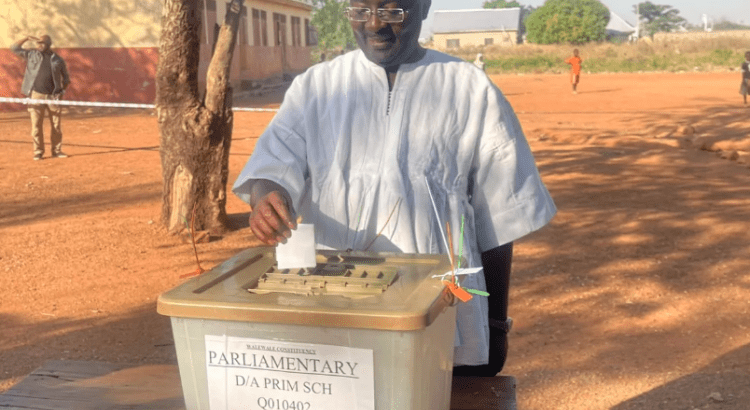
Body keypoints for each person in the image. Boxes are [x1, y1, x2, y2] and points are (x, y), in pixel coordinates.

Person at [233, 0, 556, 377]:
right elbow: (271, 165)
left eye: (391, 12)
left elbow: (501, 218)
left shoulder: (470, 89)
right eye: (359, 11)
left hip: (440, 311)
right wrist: (266, 197)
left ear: (423, 6)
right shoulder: (317, 88)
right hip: (335, 307)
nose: (374, 25)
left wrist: (496, 324)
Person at [11, 34, 71, 161]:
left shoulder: (57, 60)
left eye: (42, 43)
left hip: (53, 96)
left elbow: (66, 79)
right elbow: (14, 48)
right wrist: (26, 38)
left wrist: (62, 92)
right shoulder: (32, 54)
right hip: (35, 95)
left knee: (56, 126)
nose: (39, 45)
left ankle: (56, 151)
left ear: (48, 44)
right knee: (36, 126)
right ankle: (38, 152)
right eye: (38, 43)